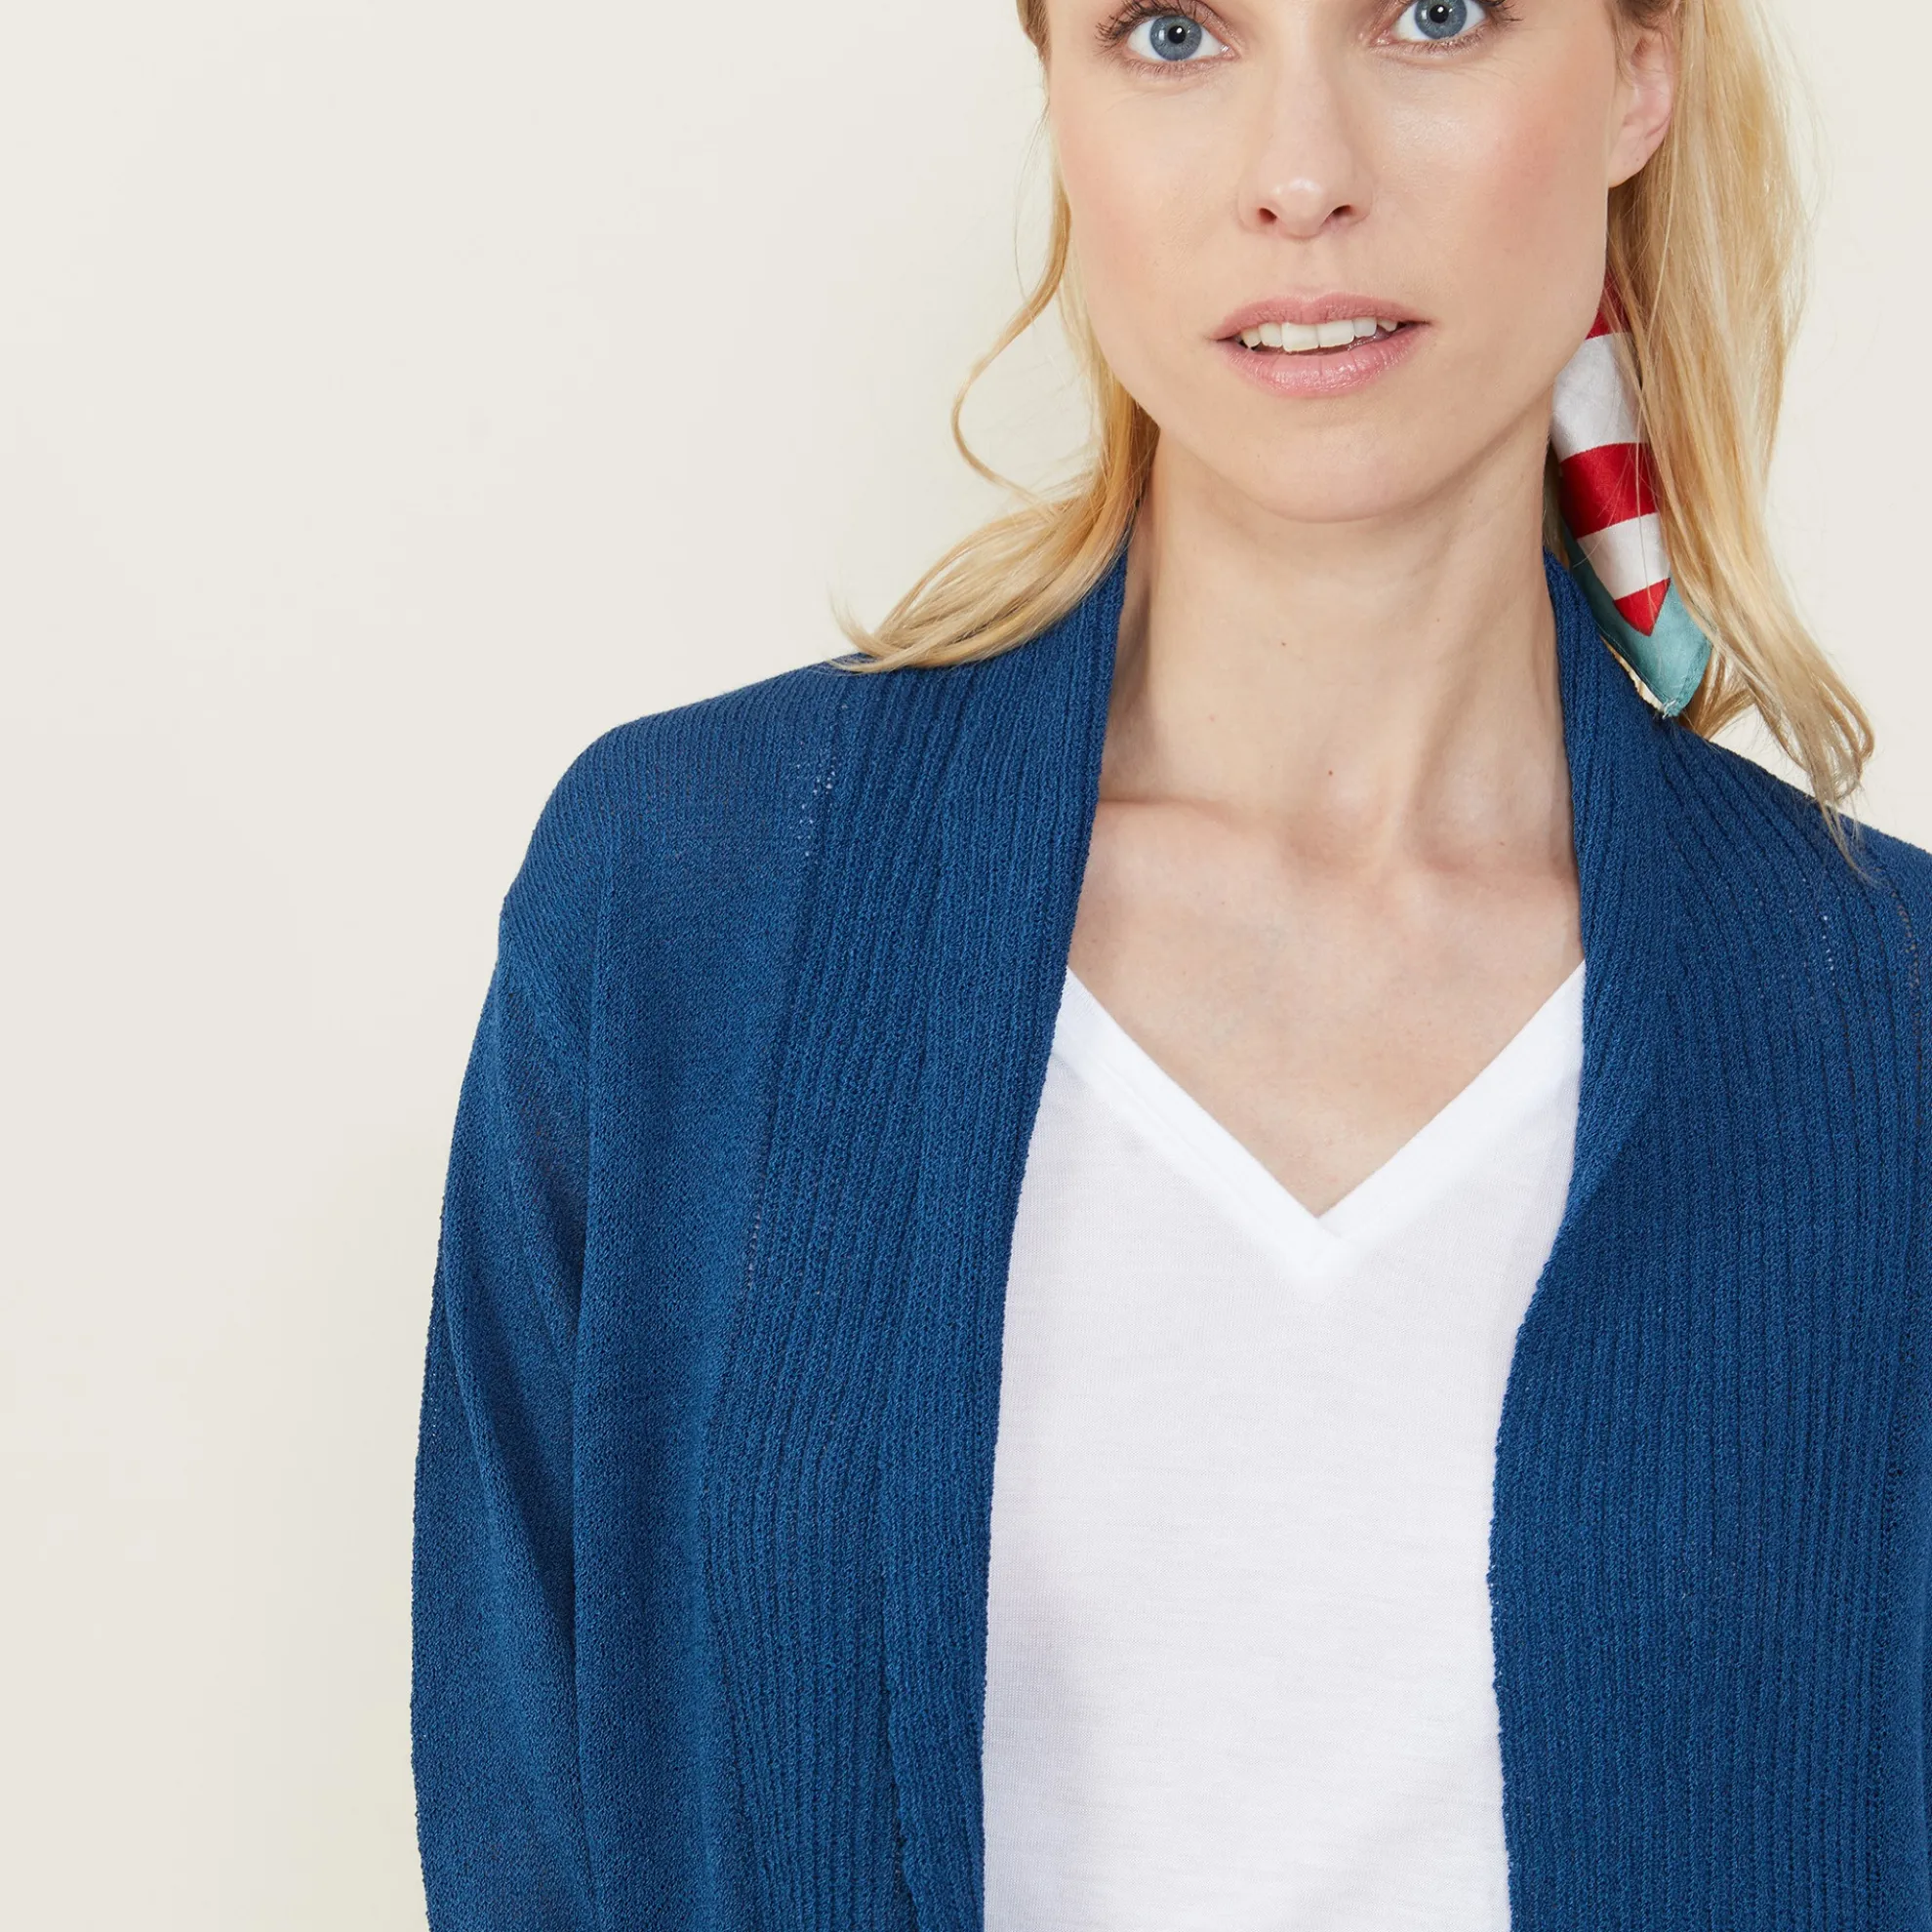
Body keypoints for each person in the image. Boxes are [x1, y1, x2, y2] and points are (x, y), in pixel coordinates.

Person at [410, 0, 1932, 1926]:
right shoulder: (682, 909)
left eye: (1436, 15)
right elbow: (527, 1830)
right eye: (1174, 31)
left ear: (1642, 73)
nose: (1300, 175)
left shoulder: (1886, 1031)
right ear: (1057, 91)